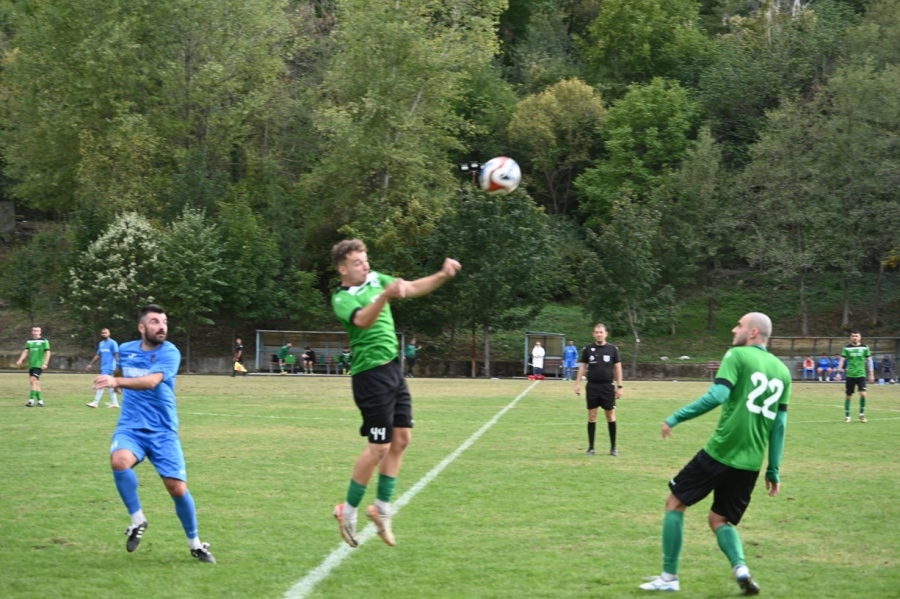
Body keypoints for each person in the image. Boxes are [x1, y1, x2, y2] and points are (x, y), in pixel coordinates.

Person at [639, 312, 789, 595]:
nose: (734, 329)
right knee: (720, 519)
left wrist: (676, 417)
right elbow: (780, 425)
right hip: (751, 463)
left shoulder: (736, 356)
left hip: (721, 452)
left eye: (739, 325)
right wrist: (774, 469)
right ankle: (741, 568)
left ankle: (669, 577)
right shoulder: (782, 371)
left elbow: (717, 396)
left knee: (674, 503)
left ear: (753, 332)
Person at [330, 238, 461, 548]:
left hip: (393, 371)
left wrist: (441, 275)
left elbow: (413, 288)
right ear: (343, 268)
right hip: (369, 375)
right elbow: (362, 320)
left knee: (402, 439)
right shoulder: (341, 298)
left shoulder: (378, 280)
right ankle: (346, 512)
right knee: (378, 447)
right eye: (358, 262)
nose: (365, 265)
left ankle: (382, 510)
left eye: (366, 259)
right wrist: (384, 297)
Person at [92, 304, 215, 563]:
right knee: (119, 460)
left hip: (163, 431)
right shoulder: (126, 350)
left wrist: (117, 382)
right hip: (131, 427)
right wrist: (113, 377)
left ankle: (195, 544)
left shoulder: (169, 352)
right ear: (142, 327)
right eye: (155, 322)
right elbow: (120, 369)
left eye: (164, 322)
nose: (162, 327)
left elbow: (151, 381)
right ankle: (138, 520)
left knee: (177, 489)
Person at [574, 323, 623, 456]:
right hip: (592, 386)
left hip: (607, 386)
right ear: (593, 334)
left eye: (601, 332)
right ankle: (591, 447)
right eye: (596, 332)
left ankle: (613, 448)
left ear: (606, 333)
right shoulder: (588, 349)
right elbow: (582, 366)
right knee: (592, 415)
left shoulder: (613, 349)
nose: (599, 334)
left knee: (610, 415)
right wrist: (577, 383)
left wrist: (619, 386)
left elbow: (618, 367)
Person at [837, 331, 874, 423]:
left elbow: (869, 361)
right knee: (849, 396)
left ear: (860, 337)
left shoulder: (865, 347)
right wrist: (838, 372)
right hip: (850, 375)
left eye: (856, 336)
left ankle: (861, 414)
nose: (855, 338)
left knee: (863, 394)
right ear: (850, 337)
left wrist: (871, 373)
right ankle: (847, 416)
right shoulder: (847, 348)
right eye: (853, 336)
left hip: (861, 374)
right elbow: (842, 360)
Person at [17, 326, 51, 407]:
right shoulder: (29, 341)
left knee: (32, 380)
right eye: (34, 331)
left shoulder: (44, 341)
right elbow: (25, 351)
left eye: (37, 331)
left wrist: (45, 363)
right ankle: (40, 401)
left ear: (40, 332)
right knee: (35, 383)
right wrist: (20, 360)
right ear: (32, 332)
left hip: (39, 364)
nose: (36, 332)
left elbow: (48, 352)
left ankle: (31, 400)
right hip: (32, 364)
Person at [86, 328, 120, 408]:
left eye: (106, 332)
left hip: (110, 367)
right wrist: (90, 364)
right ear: (101, 334)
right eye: (103, 333)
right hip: (104, 367)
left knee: (101, 383)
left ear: (109, 333)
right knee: (110, 385)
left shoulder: (113, 343)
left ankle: (95, 402)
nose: (104, 334)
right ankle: (115, 403)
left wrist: (118, 365)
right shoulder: (101, 344)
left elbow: (116, 354)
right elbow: (98, 355)